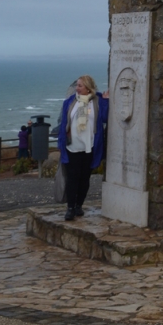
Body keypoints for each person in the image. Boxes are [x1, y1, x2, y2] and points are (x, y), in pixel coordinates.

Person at [57, 75, 108, 221]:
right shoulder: (70, 102)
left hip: (89, 148)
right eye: (77, 86)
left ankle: (79, 205)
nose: (77, 88)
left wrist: (107, 101)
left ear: (88, 88)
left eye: (80, 86)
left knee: (84, 179)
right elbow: (63, 125)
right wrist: (61, 144)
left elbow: (105, 118)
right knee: (72, 179)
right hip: (72, 147)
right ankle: (70, 208)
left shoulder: (97, 102)